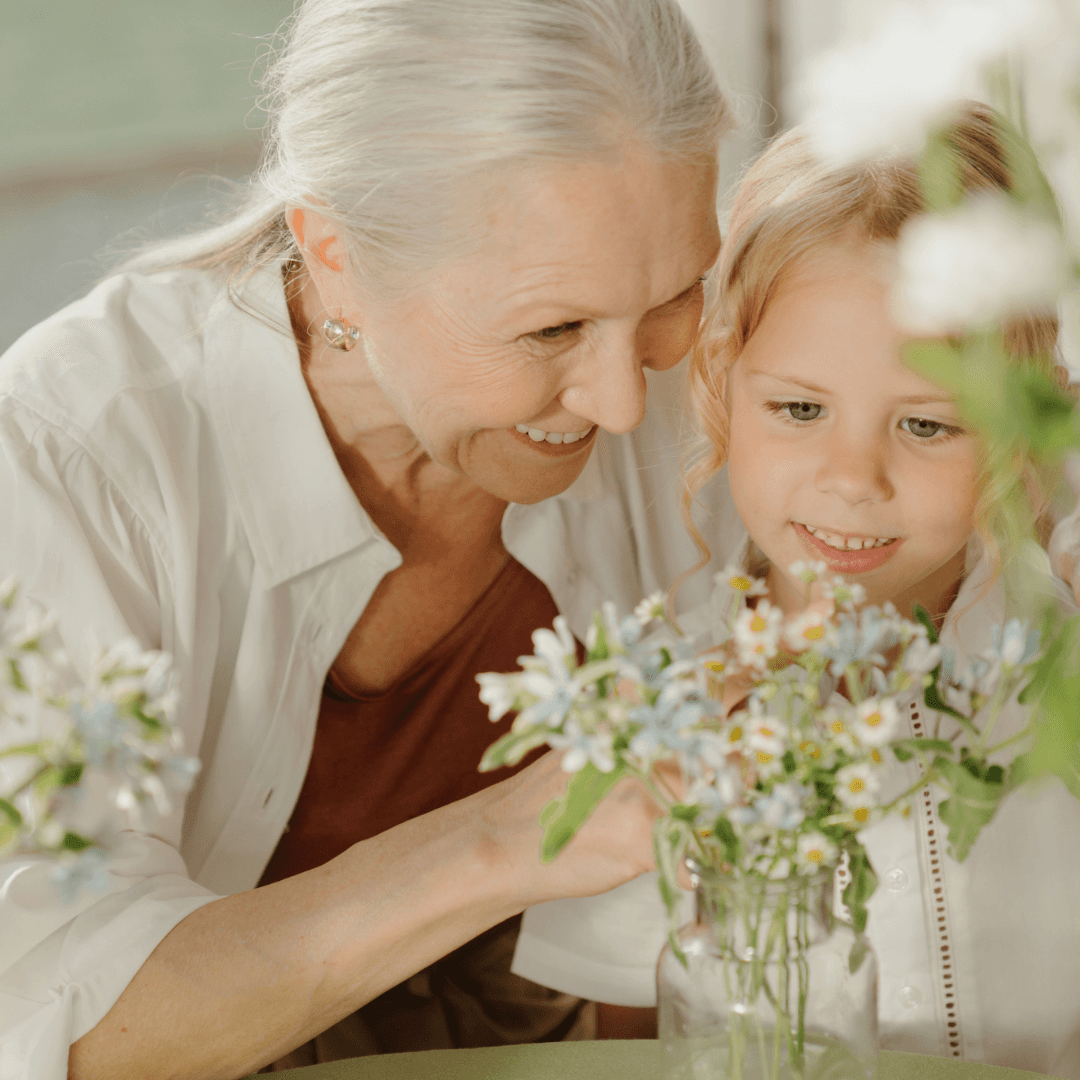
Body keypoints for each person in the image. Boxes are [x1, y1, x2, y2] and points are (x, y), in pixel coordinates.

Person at [0, 1, 743, 1076]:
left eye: (675, 294)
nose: (626, 403)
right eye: (551, 328)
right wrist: (508, 838)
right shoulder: (66, 458)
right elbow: (47, 1015)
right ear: (335, 250)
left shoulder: (717, 386)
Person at [510, 104, 1080, 1076]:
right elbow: (636, 1046)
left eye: (928, 425)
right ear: (725, 383)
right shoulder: (655, 720)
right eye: (801, 408)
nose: (853, 478)